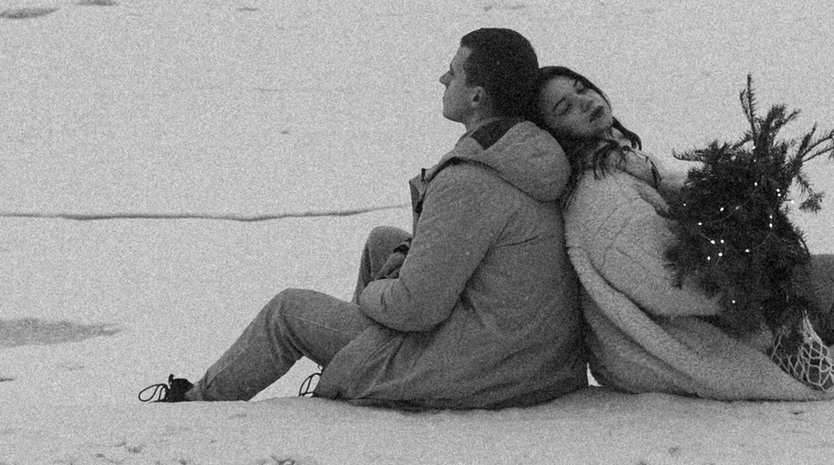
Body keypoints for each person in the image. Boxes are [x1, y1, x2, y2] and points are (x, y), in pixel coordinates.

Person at [146, 27, 588, 409]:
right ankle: (353, 365)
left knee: (288, 311)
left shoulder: (470, 182)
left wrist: (379, 290)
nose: (442, 79)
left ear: (476, 96)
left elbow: (416, 309)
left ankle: (196, 405)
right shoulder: (526, 151)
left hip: (486, 370)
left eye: (453, 72)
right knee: (383, 241)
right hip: (530, 354)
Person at [532, 65, 834, 398]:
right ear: (554, 134)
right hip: (683, 335)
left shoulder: (621, 163)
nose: (583, 101)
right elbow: (662, 281)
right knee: (832, 278)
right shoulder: (601, 193)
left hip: (701, 313)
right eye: (565, 107)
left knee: (818, 277)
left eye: (581, 88)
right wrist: (757, 272)